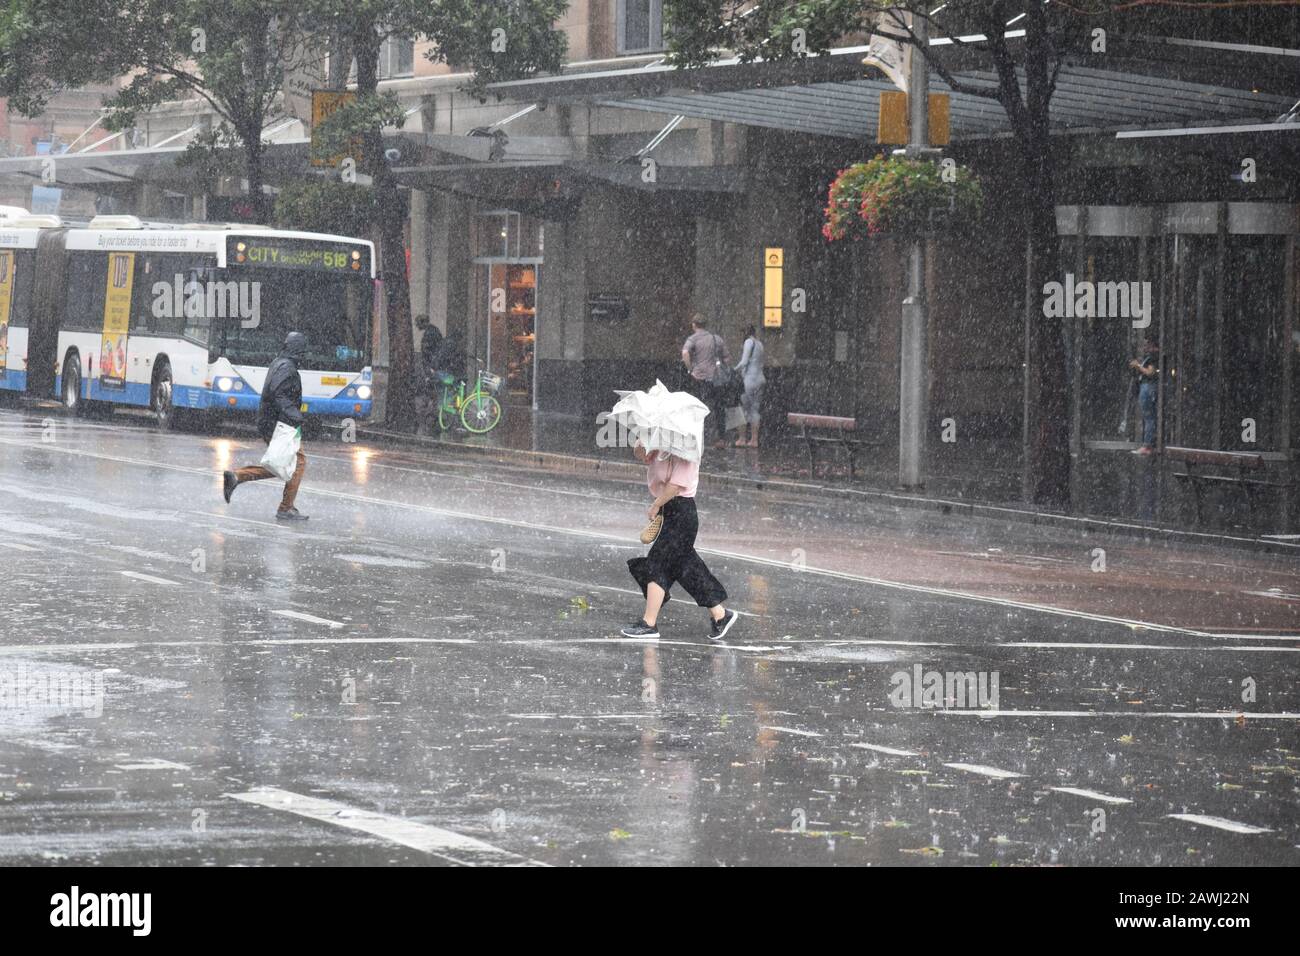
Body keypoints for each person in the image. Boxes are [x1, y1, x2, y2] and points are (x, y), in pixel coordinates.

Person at [621, 441, 738, 642]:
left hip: (682, 514)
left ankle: (649, 624)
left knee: (658, 563)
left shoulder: (687, 448)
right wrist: (640, 446)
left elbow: (675, 486)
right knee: (687, 568)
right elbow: (646, 457)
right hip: (670, 512)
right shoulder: (664, 444)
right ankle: (720, 615)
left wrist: (656, 505)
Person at [222, 331, 309, 520]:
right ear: (299, 350)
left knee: (282, 463)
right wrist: (295, 415)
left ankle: (237, 477)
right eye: (304, 351)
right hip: (278, 424)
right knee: (295, 463)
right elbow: (278, 392)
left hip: (273, 422)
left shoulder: (281, 363)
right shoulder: (287, 367)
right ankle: (285, 508)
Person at [682, 314, 730, 449]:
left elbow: (685, 353)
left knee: (697, 408)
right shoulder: (716, 339)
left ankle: (698, 438)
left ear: (694, 325)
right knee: (719, 409)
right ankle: (721, 438)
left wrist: (690, 369)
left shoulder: (693, 339)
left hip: (699, 378)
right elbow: (727, 358)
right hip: (716, 379)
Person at [733, 325, 766, 448]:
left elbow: (744, 362)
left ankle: (742, 439)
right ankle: (754, 440)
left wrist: (733, 370)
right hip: (760, 379)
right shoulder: (760, 344)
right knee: (754, 410)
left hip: (749, 380)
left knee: (741, 410)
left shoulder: (748, 342)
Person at [1128, 335, 1160, 455]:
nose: (1145, 347)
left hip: (1148, 387)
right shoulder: (1150, 357)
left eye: (1147, 344)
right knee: (1149, 417)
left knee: (1149, 417)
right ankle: (1149, 444)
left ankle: (1148, 445)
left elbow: (1150, 372)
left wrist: (1138, 366)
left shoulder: (1153, 357)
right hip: (1146, 386)